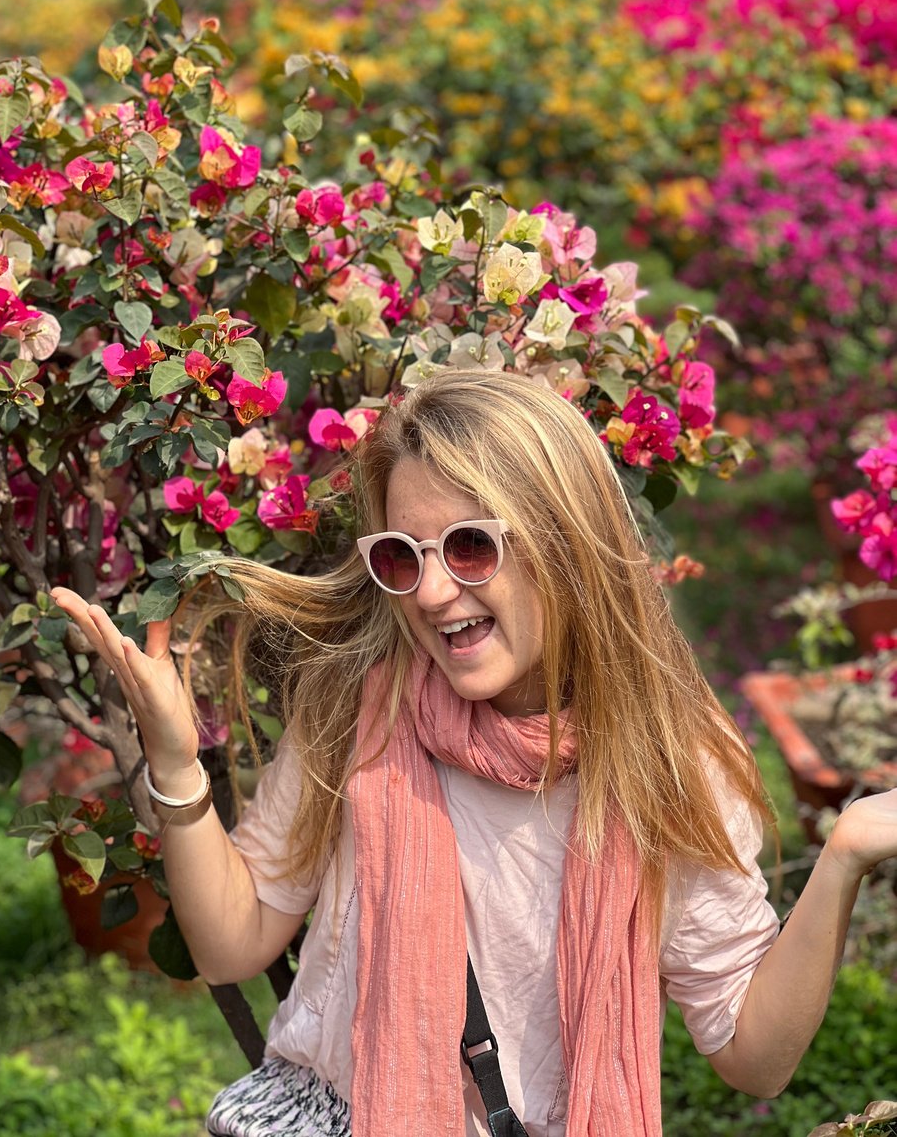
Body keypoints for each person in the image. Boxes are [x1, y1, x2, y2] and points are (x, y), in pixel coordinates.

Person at [52, 370, 897, 1137]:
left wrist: (846, 855)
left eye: (468, 546)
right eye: (401, 555)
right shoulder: (362, 710)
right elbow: (233, 946)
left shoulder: (667, 766)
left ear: (563, 541)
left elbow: (755, 1058)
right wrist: (174, 765)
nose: (429, 591)